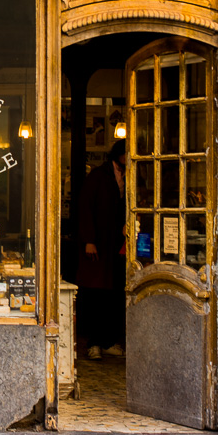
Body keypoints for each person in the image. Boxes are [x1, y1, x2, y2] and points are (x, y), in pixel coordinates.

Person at [74, 139, 127, 360]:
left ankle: (108, 341)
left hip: (119, 245)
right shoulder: (98, 176)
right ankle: (94, 343)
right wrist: (89, 240)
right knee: (95, 295)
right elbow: (85, 208)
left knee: (115, 295)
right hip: (98, 245)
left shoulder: (131, 176)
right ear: (118, 155)